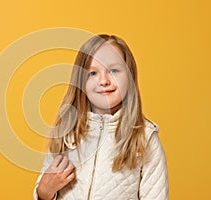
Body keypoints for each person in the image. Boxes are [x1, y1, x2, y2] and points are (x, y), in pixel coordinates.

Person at [33, 34, 168, 200]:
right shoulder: (67, 131)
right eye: (92, 73)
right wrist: (44, 191)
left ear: (129, 77)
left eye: (114, 70)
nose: (103, 81)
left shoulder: (144, 138)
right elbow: (46, 189)